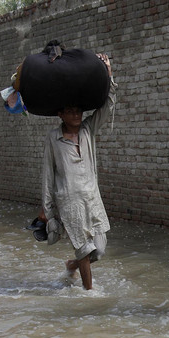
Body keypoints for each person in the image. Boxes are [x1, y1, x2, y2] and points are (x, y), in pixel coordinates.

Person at [41, 53, 114, 290]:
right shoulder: (53, 139)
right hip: (69, 201)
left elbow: (107, 106)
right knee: (84, 248)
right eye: (70, 111)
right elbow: (48, 176)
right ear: (60, 114)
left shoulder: (87, 130)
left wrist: (108, 75)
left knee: (99, 249)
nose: (76, 115)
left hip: (92, 198)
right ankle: (89, 293)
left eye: (78, 111)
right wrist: (49, 210)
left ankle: (72, 265)